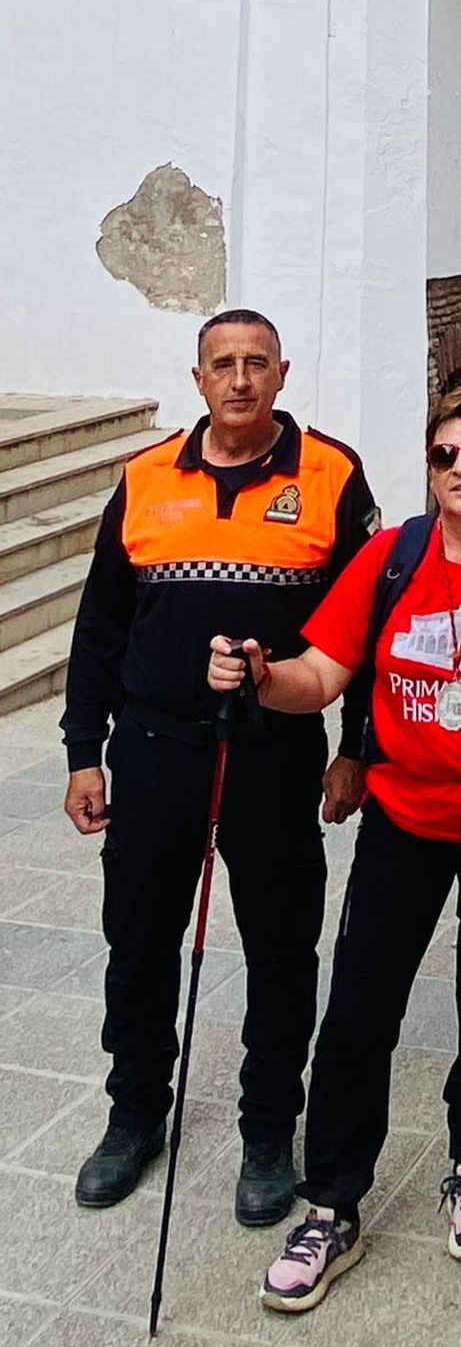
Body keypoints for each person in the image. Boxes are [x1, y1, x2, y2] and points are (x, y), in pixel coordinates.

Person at [207, 382, 461, 1315]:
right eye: (446, 454)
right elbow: (320, 675)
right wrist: (263, 674)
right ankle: (333, 1200)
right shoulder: (391, 561)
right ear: (429, 469)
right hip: (406, 820)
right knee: (356, 1013)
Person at [60, 309, 379, 1223]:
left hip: (274, 751)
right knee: (141, 937)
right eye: (222, 365)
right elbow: (99, 626)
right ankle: (133, 1115)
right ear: (198, 379)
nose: (239, 379)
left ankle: (270, 1128)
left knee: (282, 946)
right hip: (156, 747)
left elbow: (367, 627)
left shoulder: (331, 474)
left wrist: (357, 746)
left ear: (284, 374)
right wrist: (87, 752)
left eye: (256, 364)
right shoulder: (146, 475)